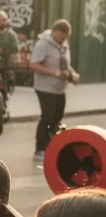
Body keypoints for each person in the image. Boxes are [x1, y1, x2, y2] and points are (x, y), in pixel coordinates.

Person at [29, 18, 79, 165]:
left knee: (57, 118)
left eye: (65, 37)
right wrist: (55, 73)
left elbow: (66, 64)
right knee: (47, 117)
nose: (63, 40)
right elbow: (33, 65)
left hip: (60, 88)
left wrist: (72, 74)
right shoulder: (43, 45)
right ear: (54, 32)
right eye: (61, 37)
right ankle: (39, 149)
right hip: (45, 87)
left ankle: (52, 147)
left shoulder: (63, 44)